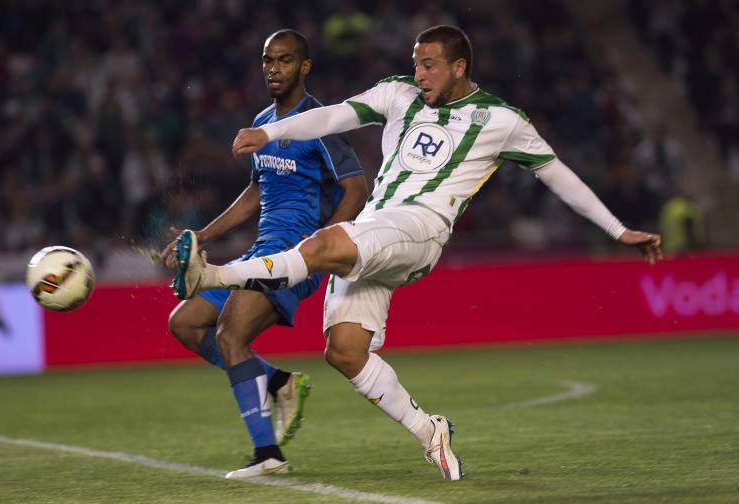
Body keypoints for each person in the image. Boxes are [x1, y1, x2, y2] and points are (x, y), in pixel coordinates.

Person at [173, 25, 663, 481]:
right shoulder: (397, 93)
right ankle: (430, 430)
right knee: (344, 353)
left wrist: (618, 230)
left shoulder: (501, 120)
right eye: (416, 63)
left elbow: (558, 175)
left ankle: (210, 276)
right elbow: (333, 115)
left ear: (459, 67)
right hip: (376, 229)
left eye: (429, 64)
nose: (419, 74)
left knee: (323, 243)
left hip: (420, 228)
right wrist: (272, 131)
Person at [161, 29, 367, 479]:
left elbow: (357, 188)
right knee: (185, 322)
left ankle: (267, 454)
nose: (274, 69)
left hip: (297, 258)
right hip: (261, 252)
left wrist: (322, 246)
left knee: (231, 335)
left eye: (285, 60)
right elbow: (257, 190)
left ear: (305, 66)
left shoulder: (322, 121)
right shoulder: (263, 122)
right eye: (268, 60)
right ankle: (276, 381)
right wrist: (203, 234)